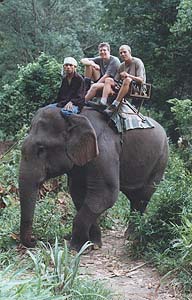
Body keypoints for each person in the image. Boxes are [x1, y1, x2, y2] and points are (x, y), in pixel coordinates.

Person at [100, 45, 146, 116]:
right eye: (121, 53)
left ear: (129, 52)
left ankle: (115, 104)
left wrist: (128, 75)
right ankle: (103, 102)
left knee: (127, 80)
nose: (123, 54)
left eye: (125, 52)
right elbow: (116, 80)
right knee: (108, 80)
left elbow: (141, 80)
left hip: (137, 88)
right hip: (123, 86)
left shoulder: (137, 62)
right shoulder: (122, 66)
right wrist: (112, 87)